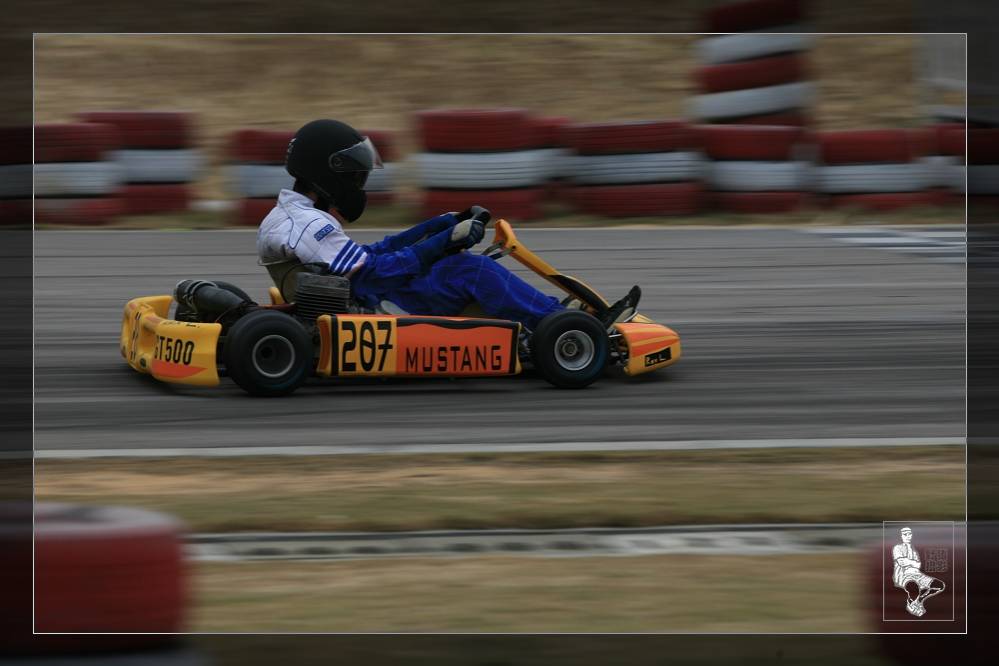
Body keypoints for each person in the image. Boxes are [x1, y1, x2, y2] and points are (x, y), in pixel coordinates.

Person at [257, 119, 640, 330]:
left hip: (357, 295)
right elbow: (371, 275)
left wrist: (436, 227)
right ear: (330, 174)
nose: (359, 186)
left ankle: (550, 315)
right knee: (471, 269)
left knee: (452, 262)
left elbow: (367, 257)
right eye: (356, 178)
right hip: (373, 307)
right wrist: (440, 245)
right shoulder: (309, 225)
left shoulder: (293, 217)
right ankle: (565, 325)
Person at [892, 526, 945, 617]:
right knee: (914, 588)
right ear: (901, 536)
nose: (908, 536)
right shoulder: (897, 548)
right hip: (904, 575)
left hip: (918, 575)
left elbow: (918, 565)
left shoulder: (914, 551)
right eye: (905, 534)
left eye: (909, 534)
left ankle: (919, 599)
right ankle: (911, 603)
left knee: (940, 585)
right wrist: (913, 563)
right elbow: (902, 562)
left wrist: (910, 562)